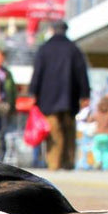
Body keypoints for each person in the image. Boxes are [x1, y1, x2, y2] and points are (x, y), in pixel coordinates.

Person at [29, 20, 91, 170]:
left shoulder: (44, 49)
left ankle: (54, 163)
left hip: (48, 99)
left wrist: (33, 92)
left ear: (52, 30)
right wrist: (85, 94)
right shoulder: (74, 49)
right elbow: (82, 74)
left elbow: (38, 73)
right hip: (70, 97)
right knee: (69, 130)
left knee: (54, 131)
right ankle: (68, 162)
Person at [0, 47, 17, 161]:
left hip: (3, 108)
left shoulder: (7, 74)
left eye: (1, 58)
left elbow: (12, 91)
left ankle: (1, 158)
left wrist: (11, 105)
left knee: (2, 134)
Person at [83, 94, 108, 170]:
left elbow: (89, 120)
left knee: (96, 149)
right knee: (107, 150)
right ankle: (106, 166)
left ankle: (98, 160)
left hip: (98, 134)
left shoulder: (97, 114)